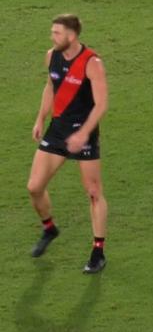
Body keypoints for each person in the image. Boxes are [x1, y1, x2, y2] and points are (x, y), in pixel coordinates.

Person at [27, 14, 109, 274]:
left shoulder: (91, 63)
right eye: (53, 32)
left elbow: (102, 104)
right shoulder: (51, 56)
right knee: (34, 187)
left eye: (57, 33)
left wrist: (84, 133)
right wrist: (40, 118)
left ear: (72, 36)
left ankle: (98, 251)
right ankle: (49, 228)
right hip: (58, 130)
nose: (53, 37)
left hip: (83, 134)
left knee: (93, 192)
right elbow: (51, 86)